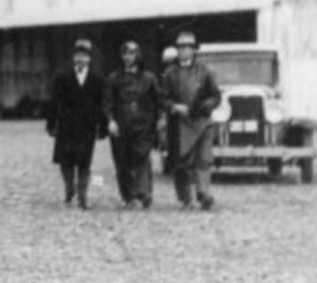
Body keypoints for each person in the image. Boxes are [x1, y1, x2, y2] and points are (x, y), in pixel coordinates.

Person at [161, 30, 221, 210]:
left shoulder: (205, 71)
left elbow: (216, 96)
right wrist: (174, 106)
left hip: (202, 123)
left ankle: (203, 194)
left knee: (204, 160)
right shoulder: (170, 73)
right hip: (180, 125)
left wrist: (204, 106)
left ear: (194, 50)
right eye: (180, 47)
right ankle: (185, 199)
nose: (183, 51)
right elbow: (162, 98)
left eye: (187, 47)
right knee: (182, 163)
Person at [46, 39, 106, 210]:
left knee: (84, 162)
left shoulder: (97, 79)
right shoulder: (62, 77)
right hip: (66, 126)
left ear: (89, 59)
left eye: (84, 56)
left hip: (87, 127)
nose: (80, 59)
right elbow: (54, 102)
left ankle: (82, 196)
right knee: (66, 161)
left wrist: (102, 126)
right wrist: (51, 124)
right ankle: (69, 189)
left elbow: (101, 104)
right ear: (73, 57)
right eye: (78, 55)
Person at [103, 41, 162, 209]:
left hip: (143, 125)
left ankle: (144, 193)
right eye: (125, 54)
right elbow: (107, 102)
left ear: (138, 55)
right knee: (122, 162)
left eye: (131, 53)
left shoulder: (149, 78)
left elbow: (158, 101)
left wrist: (160, 119)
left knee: (142, 157)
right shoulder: (114, 78)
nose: (128, 57)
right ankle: (128, 196)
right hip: (121, 125)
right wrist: (110, 120)